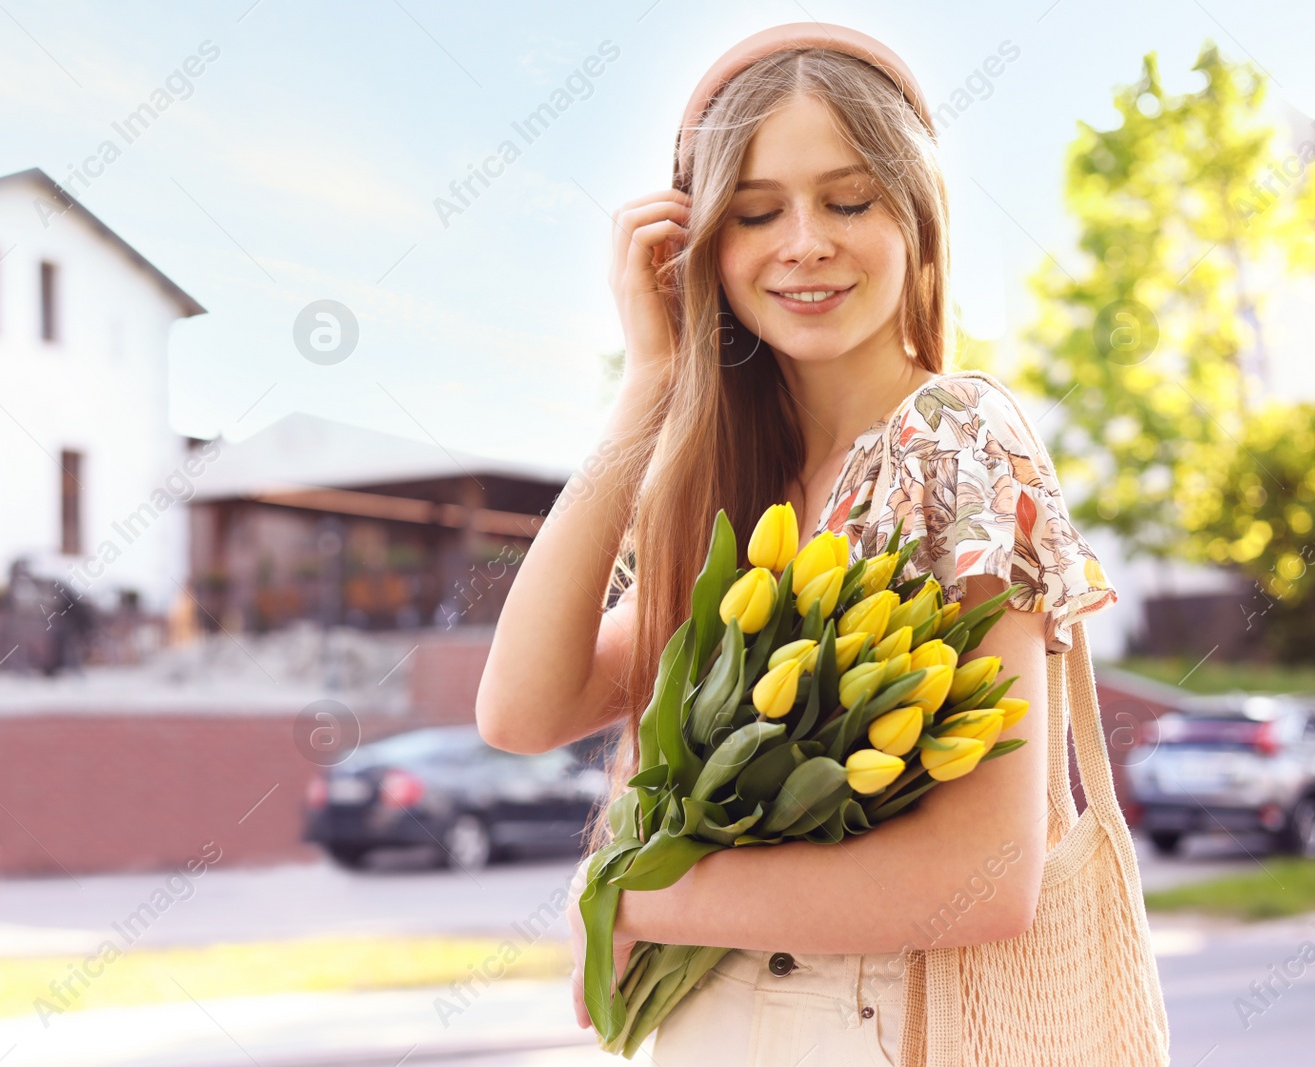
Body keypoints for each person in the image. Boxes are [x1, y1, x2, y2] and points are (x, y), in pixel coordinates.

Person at [474, 23, 1121, 1067]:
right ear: (702, 248)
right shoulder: (727, 482)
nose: (804, 241)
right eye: (755, 211)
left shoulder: (952, 440)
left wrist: (649, 894)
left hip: (879, 1030)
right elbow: (520, 709)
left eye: (849, 200)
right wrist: (646, 388)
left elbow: (986, 870)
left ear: (914, 217)